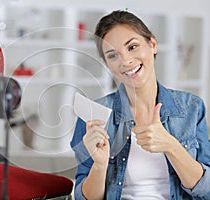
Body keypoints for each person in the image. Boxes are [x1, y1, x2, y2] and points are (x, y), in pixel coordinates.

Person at [70, 10, 210, 199]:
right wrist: (100, 165)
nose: (126, 61)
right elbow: (83, 197)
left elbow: (206, 190)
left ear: (152, 44)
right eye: (113, 55)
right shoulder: (92, 116)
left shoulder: (192, 107)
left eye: (132, 47)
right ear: (107, 64)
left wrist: (171, 146)